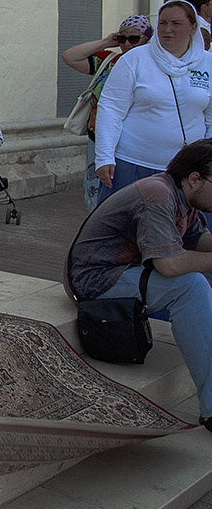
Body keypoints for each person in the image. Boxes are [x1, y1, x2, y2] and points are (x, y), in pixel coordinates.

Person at [66, 139, 212, 434]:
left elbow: (200, 242)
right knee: (190, 285)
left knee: (195, 276)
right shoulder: (158, 195)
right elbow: (169, 265)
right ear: (195, 179)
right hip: (95, 281)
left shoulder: (184, 196)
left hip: (125, 272)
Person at [95, 0, 212, 205]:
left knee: (184, 234)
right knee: (124, 233)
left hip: (187, 173)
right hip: (131, 166)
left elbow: (210, 117)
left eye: (176, 24)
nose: (168, 30)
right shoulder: (134, 59)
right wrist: (104, 158)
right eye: (162, 23)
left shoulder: (208, 63)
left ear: (193, 27)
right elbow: (111, 109)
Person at [61, 15, 152, 210]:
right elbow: (70, 57)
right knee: (98, 190)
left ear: (147, 39)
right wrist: (106, 42)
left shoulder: (153, 65)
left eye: (134, 39)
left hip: (133, 140)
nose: (127, 44)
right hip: (101, 136)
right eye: (122, 38)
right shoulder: (111, 60)